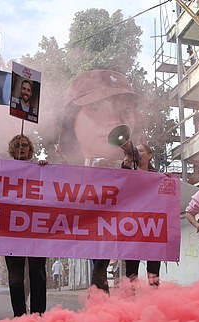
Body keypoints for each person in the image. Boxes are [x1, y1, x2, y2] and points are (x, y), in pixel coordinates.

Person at [58, 69, 141, 293]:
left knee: (128, 271)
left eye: (122, 109)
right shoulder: (69, 166)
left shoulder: (132, 158)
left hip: (123, 226)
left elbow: (142, 186)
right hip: (95, 228)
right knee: (98, 271)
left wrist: (131, 156)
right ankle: (100, 310)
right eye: (96, 109)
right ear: (71, 120)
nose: (113, 119)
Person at [4, 134, 48, 316]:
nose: (21, 149)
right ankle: (20, 316)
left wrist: (46, 170)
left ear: (30, 150)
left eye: (24, 146)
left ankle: (38, 316)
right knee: (15, 279)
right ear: (12, 150)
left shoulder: (39, 169)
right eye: (17, 146)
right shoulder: (3, 170)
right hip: (11, 232)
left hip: (36, 231)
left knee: (37, 275)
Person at [123, 144, 162, 286]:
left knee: (154, 269)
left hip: (152, 227)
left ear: (150, 155)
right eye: (136, 151)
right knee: (131, 269)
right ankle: (131, 302)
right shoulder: (127, 171)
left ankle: (153, 300)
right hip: (132, 227)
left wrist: (169, 180)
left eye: (141, 151)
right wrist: (126, 162)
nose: (138, 153)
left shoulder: (157, 176)